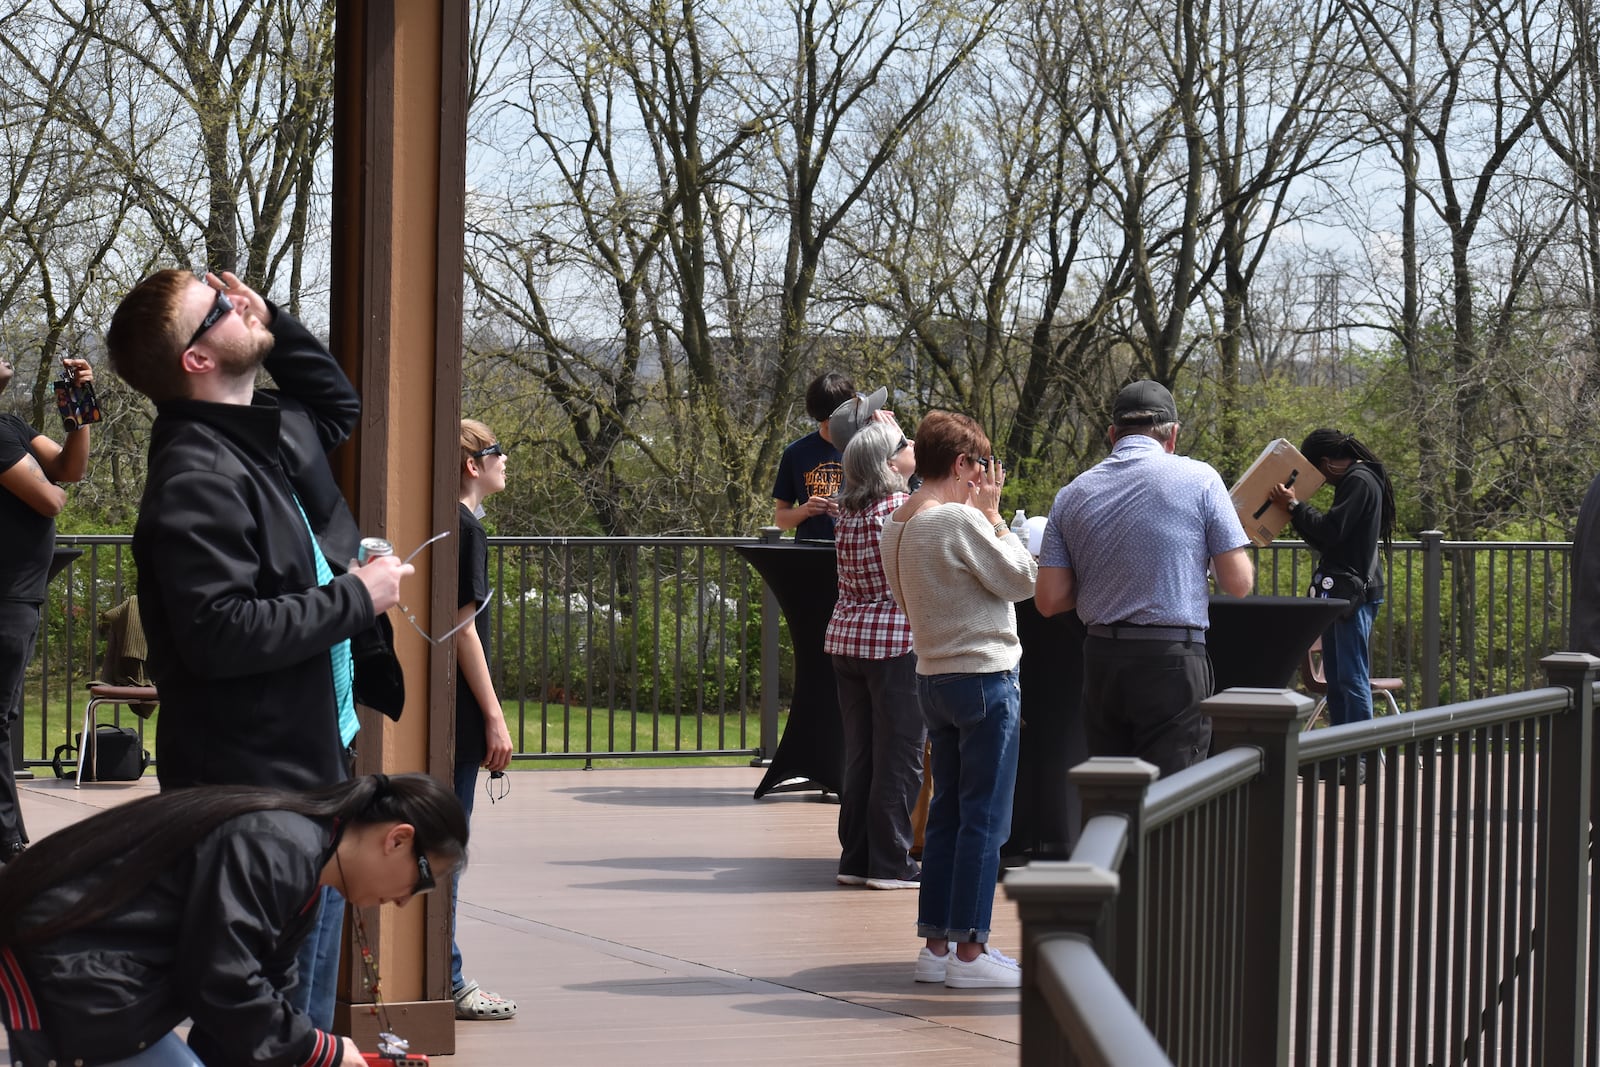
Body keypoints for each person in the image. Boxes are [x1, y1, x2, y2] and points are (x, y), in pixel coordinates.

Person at [104, 269, 413, 1029]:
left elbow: (339, 402)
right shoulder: (197, 476)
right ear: (196, 360)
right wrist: (358, 597)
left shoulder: (262, 431)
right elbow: (220, 632)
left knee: (292, 995)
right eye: (217, 310)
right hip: (252, 788)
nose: (236, 303)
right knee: (261, 1011)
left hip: (310, 760)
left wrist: (268, 315)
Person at [0, 772, 466, 1067]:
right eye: (424, 881)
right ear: (398, 839)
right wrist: (321, 1050)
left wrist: (303, 1052)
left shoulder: (307, 858)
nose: (407, 901)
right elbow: (224, 983)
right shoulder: (281, 848)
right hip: (65, 960)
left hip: (112, 981)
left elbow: (260, 996)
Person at [880, 411, 1038, 989]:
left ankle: (937, 946)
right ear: (962, 463)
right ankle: (971, 954)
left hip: (932, 677)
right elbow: (1024, 579)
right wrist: (996, 519)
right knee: (984, 820)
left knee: (945, 814)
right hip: (983, 676)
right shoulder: (956, 521)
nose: (983, 479)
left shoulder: (896, 523)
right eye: (981, 466)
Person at [1036, 380, 1253, 777]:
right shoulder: (1201, 479)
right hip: (1172, 660)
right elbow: (1237, 583)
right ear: (1172, 434)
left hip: (1101, 658)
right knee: (1171, 801)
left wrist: (1107, 583)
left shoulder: (1072, 493)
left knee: (1110, 796)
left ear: (1112, 435)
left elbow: (1049, 600)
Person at [0, 354, 94, 862]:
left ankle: (9, 837)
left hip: (20, 593)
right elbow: (52, 499)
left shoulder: (10, 424)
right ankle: (8, 840)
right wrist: (49, 483)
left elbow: (70, 470)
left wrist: (78, 400)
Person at [824, 421, 924, 891]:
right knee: (900, 754)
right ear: (889, 464)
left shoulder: (847, 511)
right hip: (893, 642)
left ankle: (856, 856)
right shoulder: (901, 510)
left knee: (861, 754)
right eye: (905, 446)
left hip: (846, 639)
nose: (913, 448)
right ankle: (891, 863)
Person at [450, 419, 517, 1020]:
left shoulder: (454, 527)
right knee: (448, 847)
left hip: (445, 715)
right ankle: (447, 978)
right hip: (461, 718)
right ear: (474, 465)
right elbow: (462, 628)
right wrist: (495, 717)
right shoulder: (467, 532)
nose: (506, 461)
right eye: (497, 453)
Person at [1269, 429, 1396, 736]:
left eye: (1318, 472)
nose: (1321, 480)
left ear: (1326, 463)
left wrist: (1295, 507)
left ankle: (1359, 757)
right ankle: (1341, 752)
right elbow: (1331, 539)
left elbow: (1330, 530)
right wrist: (1295, 511)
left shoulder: (1358, 481)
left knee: (1351, 678)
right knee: (1339, 679)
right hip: (1346, 592)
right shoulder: (1364, 479)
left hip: (1354, 594)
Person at [772, 372, 856, 539]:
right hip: (808, 555)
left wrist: (847, 511)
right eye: (824, 420)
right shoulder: (796, 452)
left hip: (854, 552)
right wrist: (806, 510)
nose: (830, 424)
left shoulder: (865, 448)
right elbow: (781, 520)